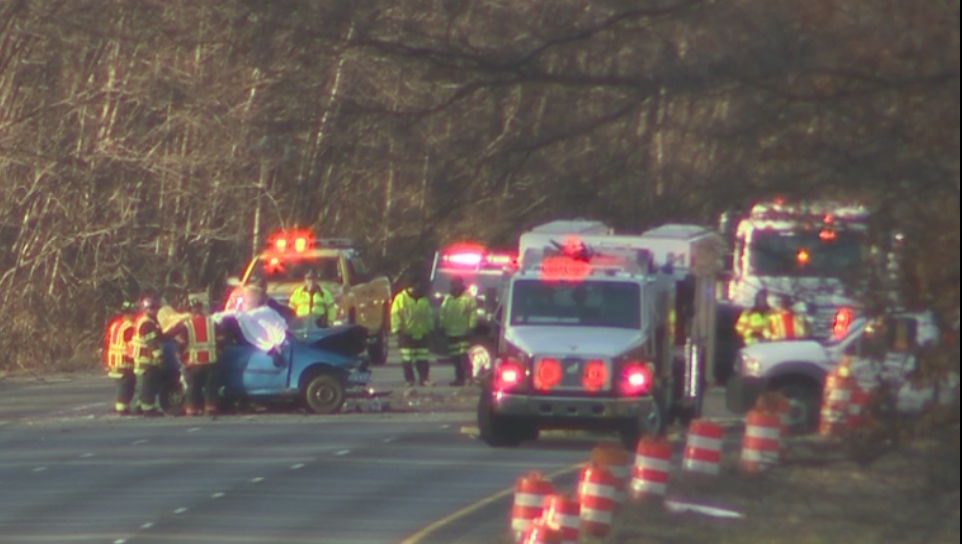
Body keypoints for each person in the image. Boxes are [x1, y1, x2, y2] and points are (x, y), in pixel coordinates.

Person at [167, 295, 222, 416]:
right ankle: (210, 408)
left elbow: (181, 343)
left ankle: (191, 410)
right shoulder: (212, 322)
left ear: (191, 310)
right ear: (201, 308)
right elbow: (221, 339)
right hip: (211, 361)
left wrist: (179, 356)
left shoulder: (187, 325)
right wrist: (219, 352)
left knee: (193, 387)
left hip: (194, 363)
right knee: (210, 386)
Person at [390, 273, 434, 388]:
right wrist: (397, 329)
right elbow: (395, 314)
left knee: (423, 359)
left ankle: (424, 379)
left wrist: (430, 328)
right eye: (415, 285)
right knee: (407, 360)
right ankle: (410, 380)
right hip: (406, 334)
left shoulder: (424, 299)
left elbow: (429, 315)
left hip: (422, 334)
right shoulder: (401, 298)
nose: (418, 288)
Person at [130, 295, 165, 416]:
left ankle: (140, 406)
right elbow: (152, 342)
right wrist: (159, 356)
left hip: (142, 359)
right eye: (153, 309)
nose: (156, 311)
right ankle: (148, 409)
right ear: (146, 309)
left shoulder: (143, 321)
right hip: (146, 359)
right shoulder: (147, 323)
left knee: (144, 384)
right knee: (148, 384)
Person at [439, 276, 478, 386]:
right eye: (453, 284)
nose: (454, 286)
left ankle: (469, 378)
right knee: (455, 358)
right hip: (451, 333)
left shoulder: (468, 298)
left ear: (461, 284)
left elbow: (473, 314)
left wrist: (471, 327)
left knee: (464, 356)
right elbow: (443, 313)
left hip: (463, 332)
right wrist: (442, 326)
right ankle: (459, 379)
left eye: (456, 283)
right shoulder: (448, 299)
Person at [105, 301, 138, 415]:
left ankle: (122, 405)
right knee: (126, 384)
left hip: (113, 360)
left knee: (120, 383)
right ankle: (122, 407)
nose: (135, 316)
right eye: (133, 313)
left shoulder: (115, 324)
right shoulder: (129, 327)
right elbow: (130, 345)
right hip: (124, 361)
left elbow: (108, 340)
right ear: (128, 314)